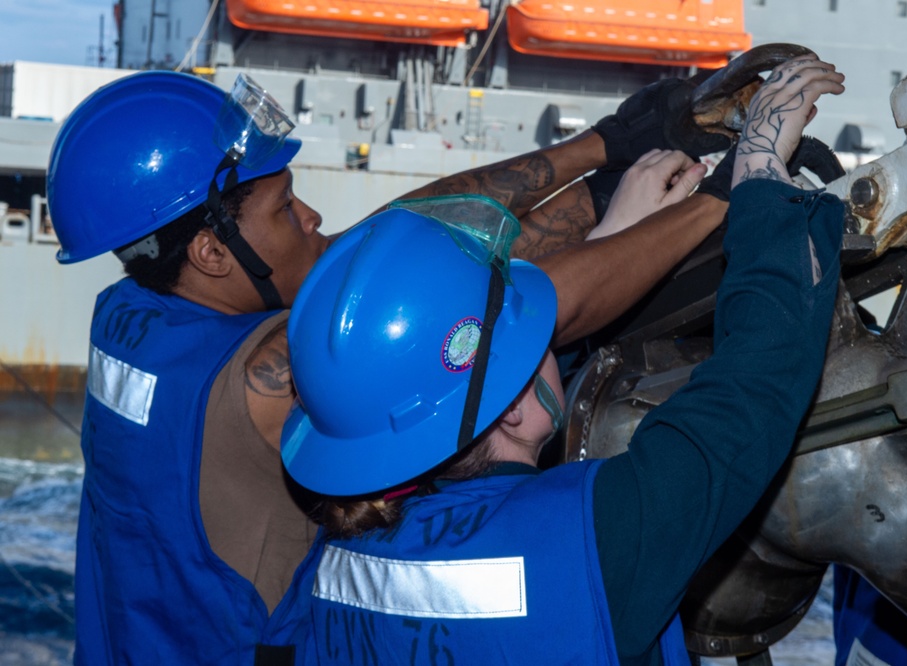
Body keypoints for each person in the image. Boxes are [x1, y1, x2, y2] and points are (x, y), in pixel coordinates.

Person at [47, 67, 732, 663]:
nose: (312, 217)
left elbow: (377, 251)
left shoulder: (128, 313)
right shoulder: (265, 376)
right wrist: (720, 200)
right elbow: (495, 317)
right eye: (286, 207)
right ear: (211, 252)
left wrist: (602, 149)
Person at [279, 54, 845, 665]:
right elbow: (759, 380)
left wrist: (614, 234)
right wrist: (760, 167)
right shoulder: (596, 535)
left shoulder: (329, 564)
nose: (551, 338)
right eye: (535, 340)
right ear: (515, 414)